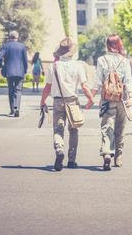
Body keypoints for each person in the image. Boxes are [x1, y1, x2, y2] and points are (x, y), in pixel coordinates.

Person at [40, 38, 94, 171]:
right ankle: (71, 160)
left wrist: (42, 101)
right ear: (71, 53)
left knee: (58, 129)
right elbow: (84, 86)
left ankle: (59, 149)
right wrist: (90, 99)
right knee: (73, 130)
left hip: (58, 101)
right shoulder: (78, 66)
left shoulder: (53, 66)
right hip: (73, 101)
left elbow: (47, 87)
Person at [86, 34, 132, 171]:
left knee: (107, 128)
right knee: (120, 128)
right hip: (122, 99)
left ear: (107, 45)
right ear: (119, 45)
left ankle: (107, 152)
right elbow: (128, 81)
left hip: (107, 99)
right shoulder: (124, 61)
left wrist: (90, 98)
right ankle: (118, 157)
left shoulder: (101, 60)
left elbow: (97, 82)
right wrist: (130, 97)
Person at [0, 31, 28, 117]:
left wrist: (2, 65)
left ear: (9, 37)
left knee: (11, 90)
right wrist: (25, 70)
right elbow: (25, 60)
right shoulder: (22, 46)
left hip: (9, 71)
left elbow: (0, 57)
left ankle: (12, 109)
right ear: (17, 37)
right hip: (20, 71)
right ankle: (16, 108)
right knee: (18, 90)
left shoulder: (6, 46)